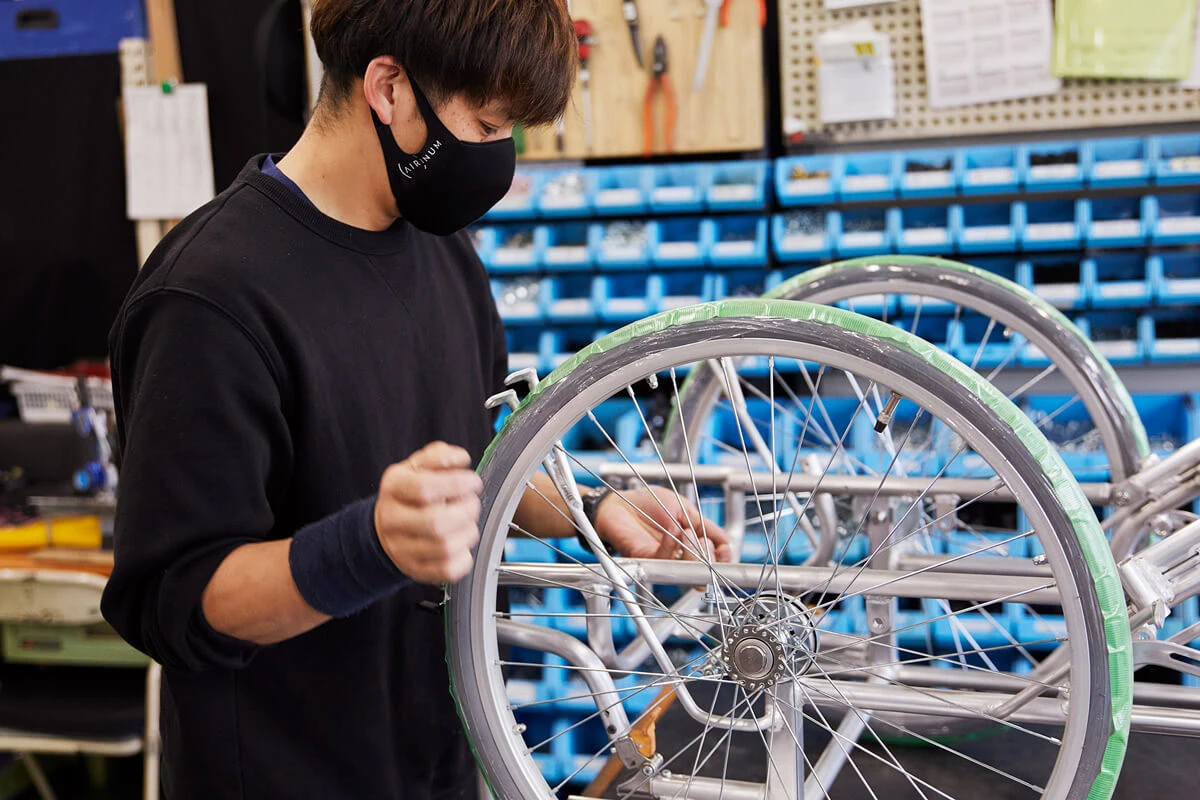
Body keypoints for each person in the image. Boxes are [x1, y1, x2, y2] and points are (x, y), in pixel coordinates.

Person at [100, 1, 731, 798]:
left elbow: (475, 457)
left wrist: (590, 506)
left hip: (435, 761)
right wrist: (369, 546)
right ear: (389, 88)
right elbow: (175, 601)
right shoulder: (209, 299)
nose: (498, 158)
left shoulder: (445, 258)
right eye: (487, 124)